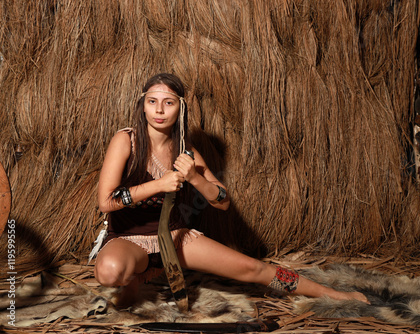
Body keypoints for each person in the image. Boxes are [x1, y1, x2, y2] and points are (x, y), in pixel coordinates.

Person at [94, 73, 369, 307]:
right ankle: (135, 276)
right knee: (109, 272)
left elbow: (222, 201)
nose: (159, 110)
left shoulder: (186, 150)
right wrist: (158, 184)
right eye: (152, 102)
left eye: (169, 103)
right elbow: (106, 202)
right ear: (142, 105)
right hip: (130, 239)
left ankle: (333, 294)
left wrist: (195, 178)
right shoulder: (126, 139)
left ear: (181, 108)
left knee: (253, 268)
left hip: (176, 238)